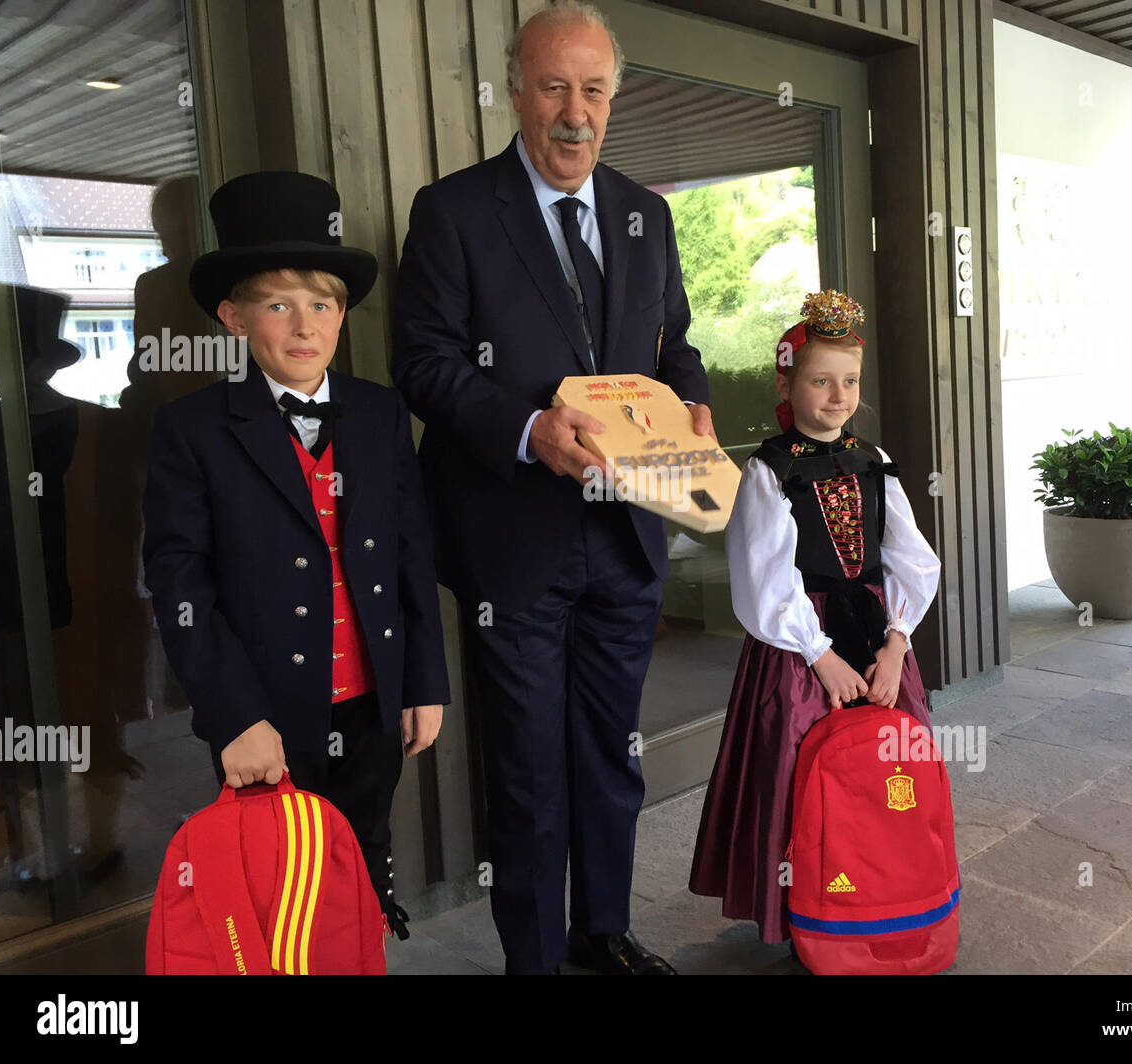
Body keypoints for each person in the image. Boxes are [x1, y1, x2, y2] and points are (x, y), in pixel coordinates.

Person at [392, 0, 712, 974]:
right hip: (512, 546)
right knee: (527, 771)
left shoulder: (644, 213)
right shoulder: (451, 211)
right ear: (515, 90)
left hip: (626, 540)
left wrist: (690, 404)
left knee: (611, 752)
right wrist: (528, 429)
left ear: (612, 98)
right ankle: (532, 960)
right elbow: (423, 362)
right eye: (553, 86)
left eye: (594, 89)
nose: (574, 112)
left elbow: (675, 346)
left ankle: (601, 931)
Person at [141, 171, 450, 939]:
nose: (303, 324)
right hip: (267, 717)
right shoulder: (195, 431)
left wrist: (423, 681)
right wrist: (233, 714)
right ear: (233, 317)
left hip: (372, 701)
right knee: (277, 884)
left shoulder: (379, 414)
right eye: (277, 303)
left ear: (342, 315)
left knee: (361, 853)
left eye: (321, 303)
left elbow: (412, 552)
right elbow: (180, 584)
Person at [688, 290, 941, 947]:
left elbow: (912, 559)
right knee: (800, 776)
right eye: (820, 380)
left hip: (878, 638)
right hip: (799, 649)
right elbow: (762, 578)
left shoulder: (875, 464)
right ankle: (806, 915)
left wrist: (896, 645)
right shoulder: (769, 472)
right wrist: (820, 655)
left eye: (850, 381)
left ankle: (886, 892)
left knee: (886, 776)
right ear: (787, 382)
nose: (837, 396)